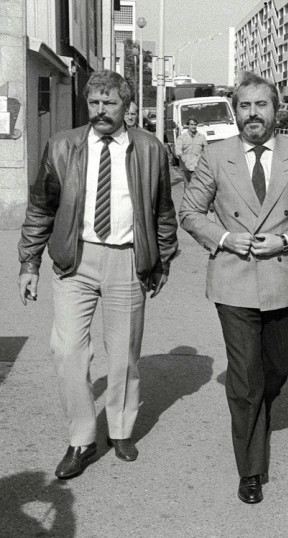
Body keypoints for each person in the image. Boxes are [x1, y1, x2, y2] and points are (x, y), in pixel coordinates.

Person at [179, 72, 288, 504]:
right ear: (235, 111)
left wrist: (287, 239)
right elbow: (191, 211)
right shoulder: (215, 154)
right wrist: (225, 238)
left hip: (283, 277)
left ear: (275, 110)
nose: (252, 115)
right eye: (244, 106)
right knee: (245, 377)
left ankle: (258, 411)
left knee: (279, 365)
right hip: (233, 279)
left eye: (260, 105)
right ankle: (250, 469)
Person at [17, 71, 178, 479]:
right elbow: (41, 209)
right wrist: (29, 263)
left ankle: (120, 429)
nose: (101, 111)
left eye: (109, 103)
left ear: (127, 106)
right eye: (94, 103)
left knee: (123, 353)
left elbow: (162, 211)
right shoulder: (62, 146)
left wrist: (162, 260)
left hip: (128, 260)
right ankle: (82, 439)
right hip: (76, 260)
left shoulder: (150, 149)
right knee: (67, 350)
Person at [175, 117, 207, 184]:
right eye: (191, 124)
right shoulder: (182, 137)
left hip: (198, 166)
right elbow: (178, 150)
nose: (193, 126)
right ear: (188, 126)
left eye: (195, 125)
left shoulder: (201, 137)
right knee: (188, 186)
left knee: (198, 186)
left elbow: (206, 150)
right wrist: (183, 157)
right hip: (186, 166)